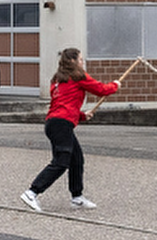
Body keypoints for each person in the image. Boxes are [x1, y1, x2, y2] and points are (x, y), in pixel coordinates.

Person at [20, 47, 120, 213]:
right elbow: (102, 89)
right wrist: (115, 85)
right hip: (61, 124)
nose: (82, 62)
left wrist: (82, 116)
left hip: (55, 122)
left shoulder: (58, 79)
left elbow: (63, 104)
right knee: (61, 162)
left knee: (76, 159)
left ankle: (77, 197)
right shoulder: (78, 76)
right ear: (73, 61)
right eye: (80, 59)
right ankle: (32, 192)